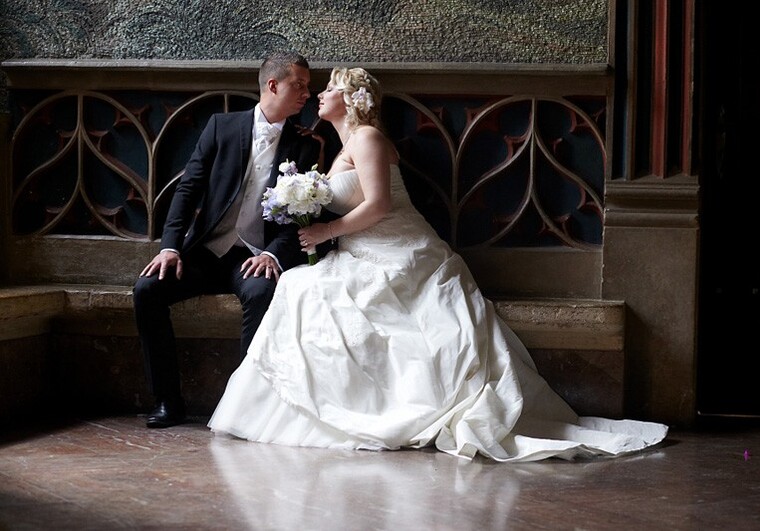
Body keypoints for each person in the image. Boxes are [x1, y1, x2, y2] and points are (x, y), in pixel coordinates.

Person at [207, 67, 668, 462]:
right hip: (359, 250)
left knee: (306, 290)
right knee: (299, 288)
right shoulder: (342, 143)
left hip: (398, 250)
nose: (320, 94)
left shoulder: (367, 137)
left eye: (329, 88)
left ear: (350, 99)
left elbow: (380, 205)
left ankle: (368, 409)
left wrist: (326, 231)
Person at [133, 51, 321, 429]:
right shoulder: (221, 127)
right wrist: (170, 246)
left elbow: (303, 214)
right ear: (273, 85)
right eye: (299, 85)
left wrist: (273, 254)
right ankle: (168, 401)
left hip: (254, 254)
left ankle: (243, 408)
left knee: (262, 292)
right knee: (147, 289)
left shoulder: (306, 144)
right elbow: (188, 190)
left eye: (308, 87)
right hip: (206, 251)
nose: (307, 94)